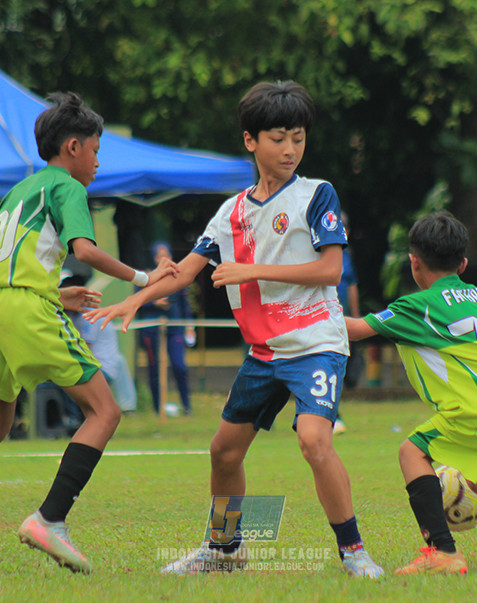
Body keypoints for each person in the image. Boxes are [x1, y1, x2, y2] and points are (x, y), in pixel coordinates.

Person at [88, 81, 384, 578]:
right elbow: (183, 272)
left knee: (314, 440)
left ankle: (354, 552)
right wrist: (135, 299)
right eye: (277, 138)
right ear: (251, 141)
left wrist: (252, 271)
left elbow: (331, 270)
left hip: (316, 344)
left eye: (297, 137)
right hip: (264, 353)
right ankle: (224, 549)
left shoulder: (317, 194)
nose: (290, 149)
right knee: (223, 451)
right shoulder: (232, 213)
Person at [0, 91, 177, 574]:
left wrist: (52, 294)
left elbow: (0, 266)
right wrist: (143, 278)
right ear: (72, 147)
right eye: (95, 149)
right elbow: (85, 252)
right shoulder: (68, 186)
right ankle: (50, 519)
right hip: (25, 306)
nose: (97, 161)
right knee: (105, 411)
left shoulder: (17, 192)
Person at [345, 211, 477, 575]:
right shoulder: (476, 295)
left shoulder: (417, 307)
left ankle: (443, 551)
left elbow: (355, 329)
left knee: (411, 451)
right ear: (464, 263)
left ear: (413, 262)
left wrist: (296, 314)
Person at [61, 269, 137, 412]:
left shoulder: (91, 314)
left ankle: (74, 420)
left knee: (64, 379)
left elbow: (83, 350)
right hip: (94, 367)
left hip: (101, 369)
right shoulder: (75, 315)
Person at [138, 241, 194, 415]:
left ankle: (186, 406)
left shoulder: (179, 276)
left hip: (174, 327)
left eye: (166, 255)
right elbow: (136, 302)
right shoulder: (145, 277)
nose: (163, 259)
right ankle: (157, 408)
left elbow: (186, 306)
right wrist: (154, 302)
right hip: (152, 328)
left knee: (179, 367)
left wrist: (189, 326)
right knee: (154, 370)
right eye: (159, 256)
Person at [333, 211, 361, 435]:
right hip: (324, 317)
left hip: (342, 319)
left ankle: (333, 413)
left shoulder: (347, 254)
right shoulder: (321, 252)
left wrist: (356, 316)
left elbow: (351, 286)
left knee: (339, 365)